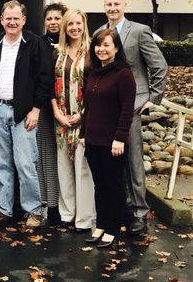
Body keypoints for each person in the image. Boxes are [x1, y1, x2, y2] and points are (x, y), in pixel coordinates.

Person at [96, 0, 167, 234]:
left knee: (134, 162)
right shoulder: (98, 34)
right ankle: (122, 208)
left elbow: (159, 65)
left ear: (125, 5)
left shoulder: (138, 31)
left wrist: (152, 98)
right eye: (108, 4)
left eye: (116, 3)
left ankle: (139, 213)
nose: (112, 8)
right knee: (113, 161)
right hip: (106, 108)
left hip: (133, 105)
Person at [0, 0, 52, 228]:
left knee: (25, 163)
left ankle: (32, 211)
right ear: (2, 20)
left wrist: (36, 109)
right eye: (8, 18)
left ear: (24, 20)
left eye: (16, 18)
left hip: (24, 112)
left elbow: (44, 79)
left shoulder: (35, 44)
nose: (12, 22)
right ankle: (3, 209)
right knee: (2, 164)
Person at [80, 29, 136, 248]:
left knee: (114, 186)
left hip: (113, 143)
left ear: (116, 48)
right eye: (98, 45)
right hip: (93, 140)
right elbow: (89, 108)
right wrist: (84, 134)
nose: (101, 49)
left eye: (106, 45)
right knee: (99, 185)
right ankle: (101, 225)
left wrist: (120, 138)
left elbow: (126, 110)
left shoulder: (123, 74)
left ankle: (114, 229)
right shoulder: (94, 72)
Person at [51, 9, 95, 232]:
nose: (74, 28)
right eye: (70, 24)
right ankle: (67, 214)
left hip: (84, 118)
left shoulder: (92, 53)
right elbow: (50, 86)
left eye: (78, 23)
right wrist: (57, 113)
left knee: (83, 167)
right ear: (64, 28)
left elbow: (95, 87)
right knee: (64, 168)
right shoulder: (58, 53)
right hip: (61, 118)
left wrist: (83, 114)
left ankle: (84, 219)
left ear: (84, 25)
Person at [37, 2, 67, 223]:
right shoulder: (38, 44)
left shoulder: (73, 44)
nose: (53, 22)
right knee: (45, 156)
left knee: (66, 157)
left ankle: (67, 206)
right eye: (49, 19)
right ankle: (48, 205)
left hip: (69, 109)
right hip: (46, 108)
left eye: (57, 18)